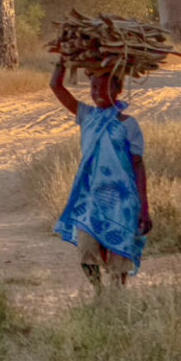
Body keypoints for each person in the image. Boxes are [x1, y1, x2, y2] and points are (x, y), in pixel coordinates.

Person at [49, 57, 152, 287]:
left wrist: (144, 207)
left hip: (122, 199)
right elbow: (56, 86)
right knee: (86, 250)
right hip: (91, 197)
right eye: (93, 87)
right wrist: (63, 60)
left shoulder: (129, 125)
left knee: (120, 254)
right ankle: (98, 292)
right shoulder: (87, 116)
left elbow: (138, 165)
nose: (97, 92)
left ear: (118, 89)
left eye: (104, 86)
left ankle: (115, 297)